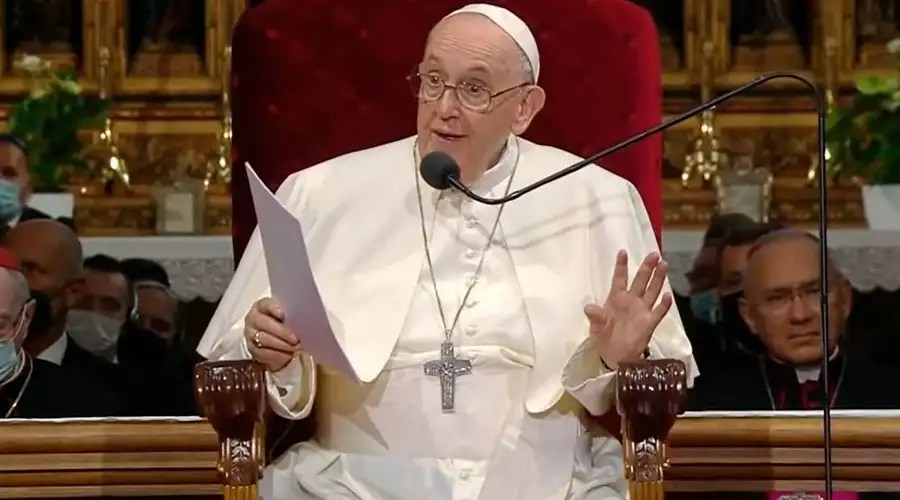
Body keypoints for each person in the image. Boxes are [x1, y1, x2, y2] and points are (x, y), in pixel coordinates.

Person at [198, 4, 695, 499]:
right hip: (347, 484)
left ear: (525, 107)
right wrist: (269, 347)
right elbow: (231, 356)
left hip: (551, 484)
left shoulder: (596, 198)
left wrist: (612, 357)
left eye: (474, 89)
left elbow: (657, 372)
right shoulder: (318, 193)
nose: (444, 107)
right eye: (432, 81)